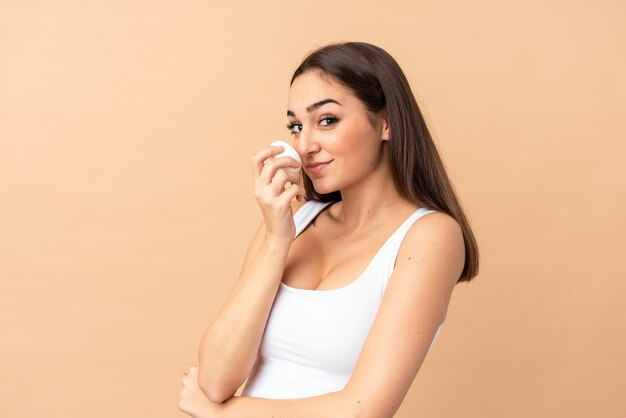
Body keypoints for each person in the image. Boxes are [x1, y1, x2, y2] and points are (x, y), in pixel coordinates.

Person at [179, 41, 479, 418]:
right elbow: (215, 379)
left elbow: (363, 409)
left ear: (386, 122)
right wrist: (276, 238)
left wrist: (223, 414)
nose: (304, 145)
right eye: (295, 126)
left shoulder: (429, 236)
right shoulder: (292, 223)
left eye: (327, 120)